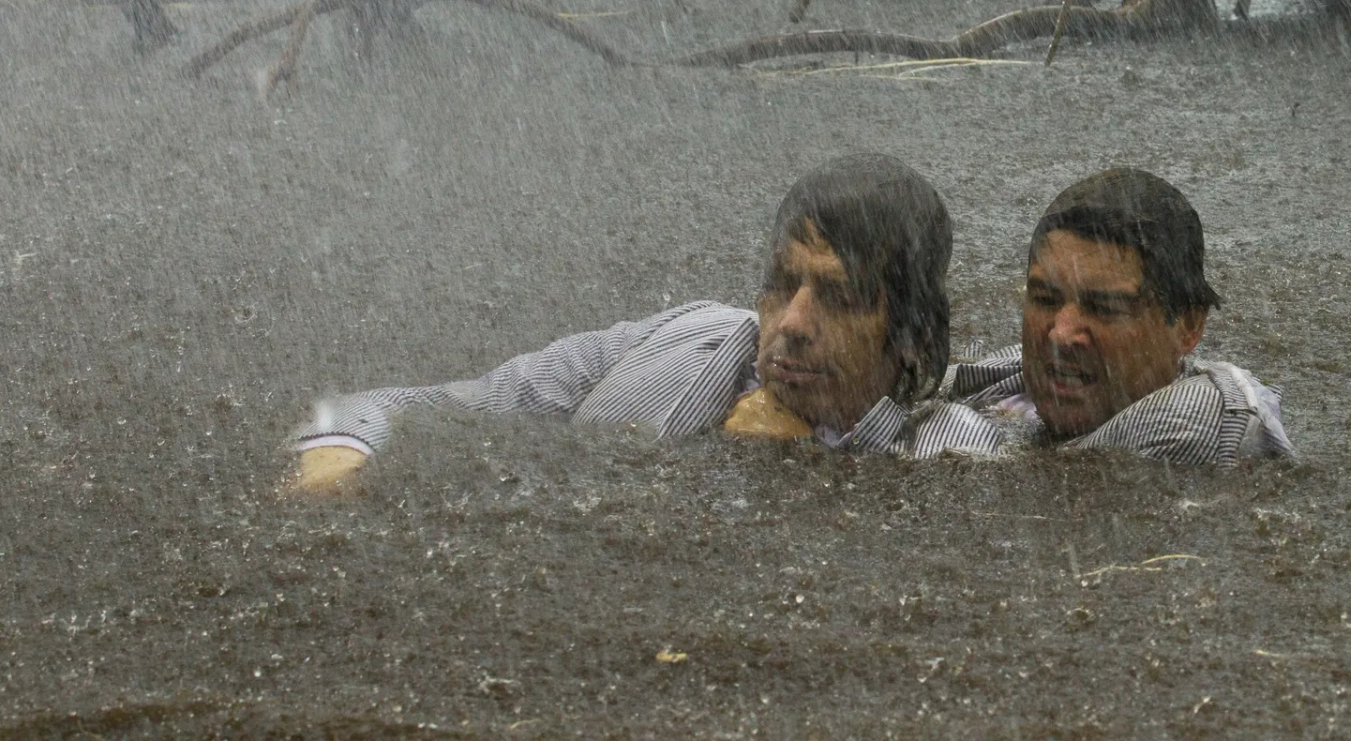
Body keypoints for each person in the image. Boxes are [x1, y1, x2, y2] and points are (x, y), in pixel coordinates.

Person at [290, 154, 999, 493]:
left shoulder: (948, 456)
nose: (792, 323)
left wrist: (798, 458)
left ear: (910, 334)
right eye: (782, 285)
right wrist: (335, 457)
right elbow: (416, 406)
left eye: (837, 297)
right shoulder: (681, 339)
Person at [949, 168, 1292, 466]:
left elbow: (1060, 473)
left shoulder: (1205, 416)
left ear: (1187, 326)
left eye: (1104, 307)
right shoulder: (1012, 375)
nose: (1060, 334)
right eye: (1045, 299)